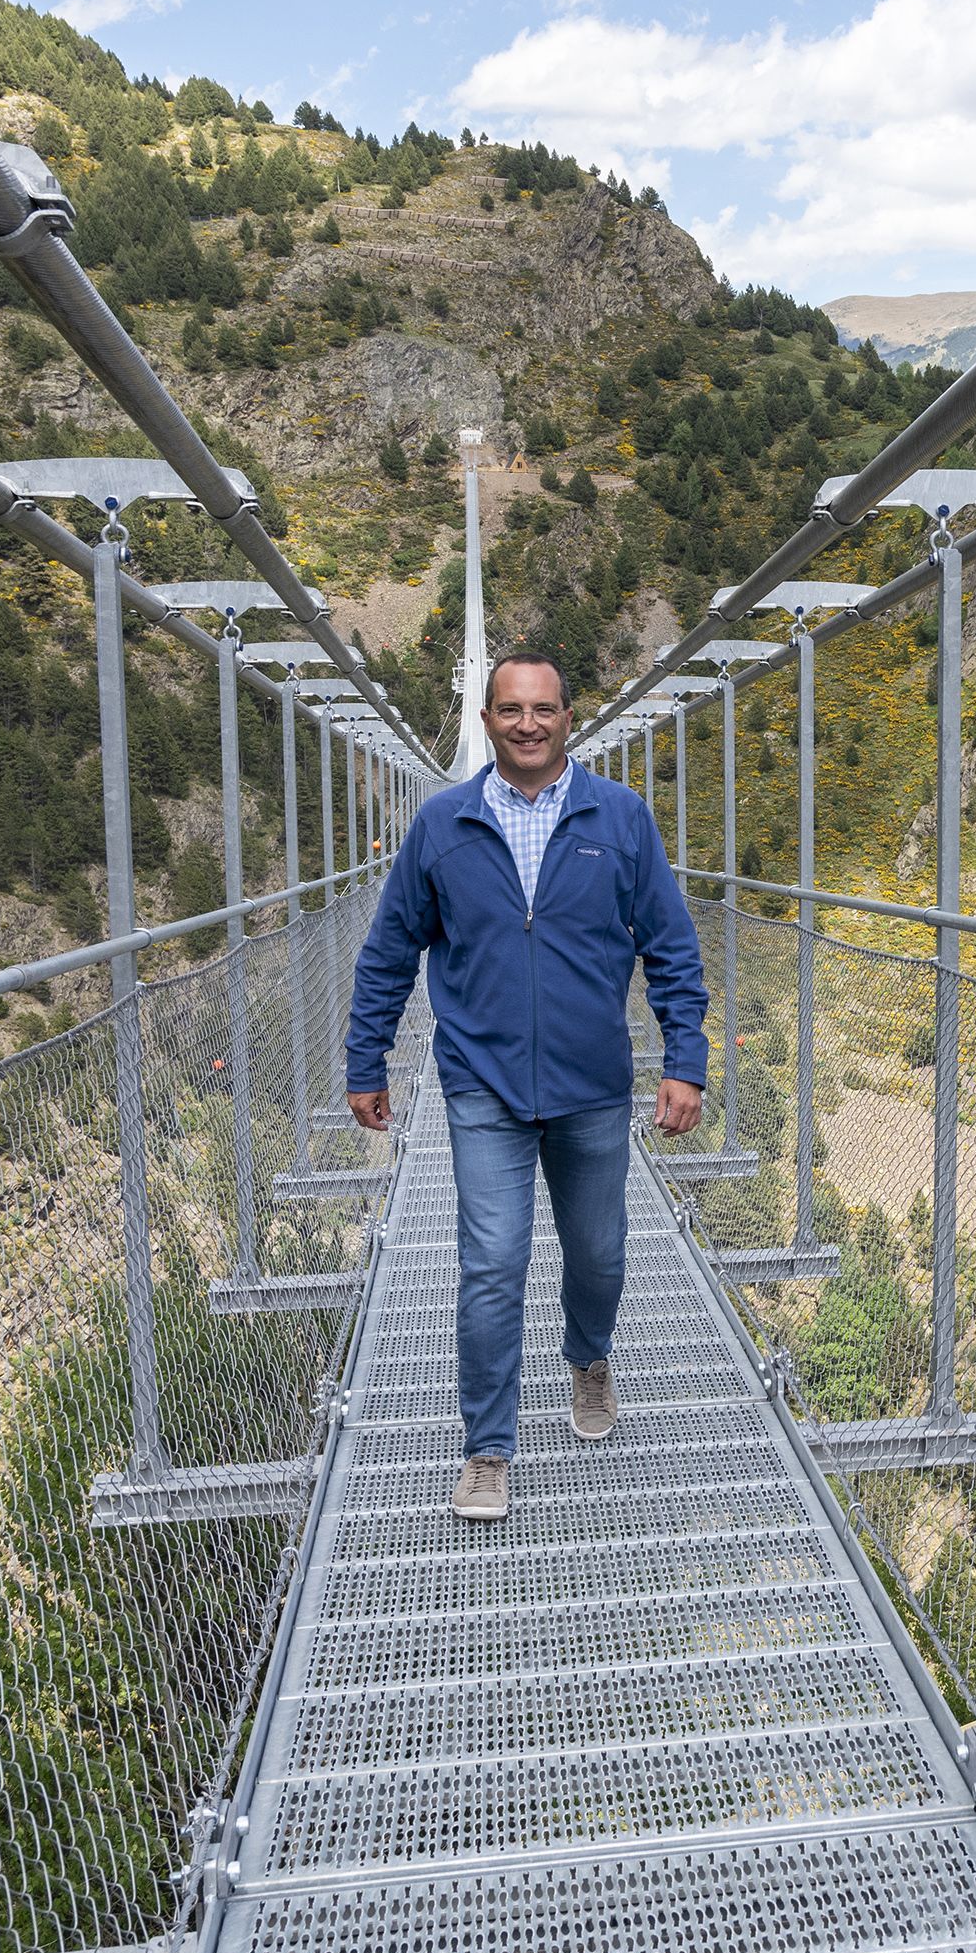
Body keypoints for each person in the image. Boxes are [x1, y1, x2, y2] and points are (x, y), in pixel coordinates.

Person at [342, 650, 706, 1522]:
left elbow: (672, 945)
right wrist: (367, 1060)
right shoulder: (441, 826)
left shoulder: (619, 819)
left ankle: (588, 1357)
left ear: (569, 718)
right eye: (510, 710)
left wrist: (685, 1059)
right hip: (482, 1084)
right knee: (494, 1264)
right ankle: (488, 1447)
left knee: (599, 1256)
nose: (528, 724)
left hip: (592, 1087)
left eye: (544, 709)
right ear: (486, 721)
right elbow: (390, 950)